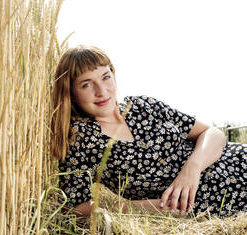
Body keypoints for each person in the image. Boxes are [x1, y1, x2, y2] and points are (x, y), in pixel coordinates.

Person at [50, 45, 246, 217]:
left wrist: (191, 169)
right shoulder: (80, 138)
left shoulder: (143, 105)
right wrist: (140, 207)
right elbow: (75, 207)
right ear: (70, 92)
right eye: (87, 84)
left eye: (106, 77)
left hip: (237, 161)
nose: (102, 91)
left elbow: (212, 133)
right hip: (215, 204)